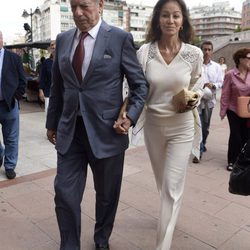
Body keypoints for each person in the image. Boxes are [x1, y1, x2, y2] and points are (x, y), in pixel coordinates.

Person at [45, 0, 148, 249]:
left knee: (106, 196)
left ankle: (101, 239)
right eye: (73, 7)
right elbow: (57, 87)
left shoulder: (120, 39)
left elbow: (140, 85)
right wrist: (52, 123)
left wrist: (131, 115)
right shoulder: (64, 38)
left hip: (107, 132)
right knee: (65, 193)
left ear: (100, 4)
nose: (78, 13)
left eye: (84, 6)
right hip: (70, 131)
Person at [132, 0, 203, 249]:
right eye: (165, 15)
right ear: (157, 19)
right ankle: (170, 215)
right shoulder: (144, 52)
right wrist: (124, 114)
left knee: (171, 188)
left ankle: (162, 245)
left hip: (181, 127)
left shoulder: (194, 53)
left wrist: (195, 97)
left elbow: (197, 84)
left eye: (175, 15)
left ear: (183, 20)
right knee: (164, 184)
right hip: (153, 126)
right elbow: (136, 89)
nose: (170, 21)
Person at [0, 31, 26, 179]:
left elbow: (23, 81)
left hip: (9, 105)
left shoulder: (14, 58)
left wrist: (16, 97)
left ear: (2, 39)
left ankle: (10, 166)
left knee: (11, 137)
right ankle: (1, 153)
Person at [192, 41, 224, 163]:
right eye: (204, 49)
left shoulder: (216, 67)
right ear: (201, 50)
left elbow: (221, 82)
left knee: (205, 127)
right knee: (197, 126)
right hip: (196, 102)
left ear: (212, 51)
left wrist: (213, 85)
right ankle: (197, 152)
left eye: (209, 49)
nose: (206, 52)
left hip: (209, 102)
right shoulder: (196, 65)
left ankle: (203, 143)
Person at [220, 48, 250, 171]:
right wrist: (223, 110)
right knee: (235, 135)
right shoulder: (230, 75)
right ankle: (232, 161)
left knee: (246, 135)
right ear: (240, 59)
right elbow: (225, 94)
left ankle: (243, 160)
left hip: (248, 110)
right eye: (248, 58)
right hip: (233, 109)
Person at [38, 41, 56, 114]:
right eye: (52, 45)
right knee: (49, 115)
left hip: (62, 93)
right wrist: (41, 90)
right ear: (49, 49)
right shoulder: (46, 62)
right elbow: (42, 77)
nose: (53, 47)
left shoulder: (63, 60)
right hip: (49, 93)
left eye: (55, 45)